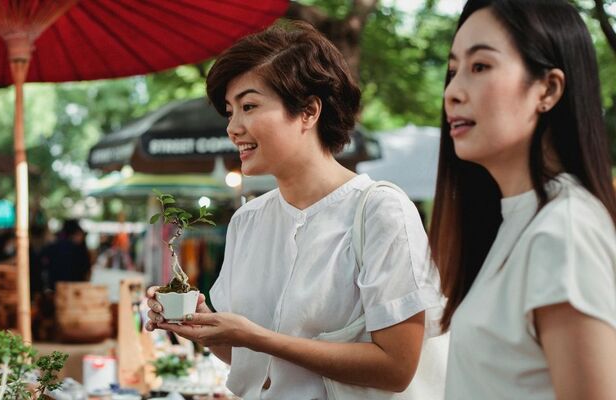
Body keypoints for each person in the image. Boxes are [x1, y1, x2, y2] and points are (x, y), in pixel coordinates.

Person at [146, 22, 446, 399]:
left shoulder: (380, 210)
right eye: (230, 111)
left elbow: (396, 368)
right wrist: (205, 327)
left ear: (308, 111)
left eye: (249, 106)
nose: (233, 128)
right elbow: (253, 365)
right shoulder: (247, 221)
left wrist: (258, 337)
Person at [429, 0, 616, 398]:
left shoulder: (563, 231)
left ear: (547, 89)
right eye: (453, 70)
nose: (452, 92)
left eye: (480, 66)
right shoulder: (516, 222)